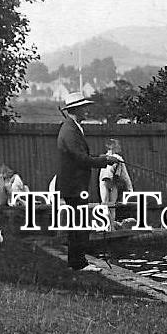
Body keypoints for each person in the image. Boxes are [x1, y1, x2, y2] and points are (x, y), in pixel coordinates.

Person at [56, 92, 121, 271]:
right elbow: (81, 159)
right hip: (73, 186)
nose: (86, 110)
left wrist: (102, 159)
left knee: (78, 225)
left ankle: (77, 262)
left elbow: (81, 157)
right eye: (84, 107)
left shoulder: (73, 127)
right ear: (75, 109)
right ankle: (78, 264)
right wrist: (105, 160)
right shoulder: (70, 130)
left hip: (74, 185)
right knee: (78, 226)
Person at [99, 139, 134, 229]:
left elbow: (124, 174)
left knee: (109, 205)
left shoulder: (118, 159)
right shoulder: (106, 157)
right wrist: (130, 188)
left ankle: (109, 227)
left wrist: (129, 188)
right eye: (117, 145)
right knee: (108, 205)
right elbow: (125, 176)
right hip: (105, 182)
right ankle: (108, 226)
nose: (119, 147)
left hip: (111, 182)